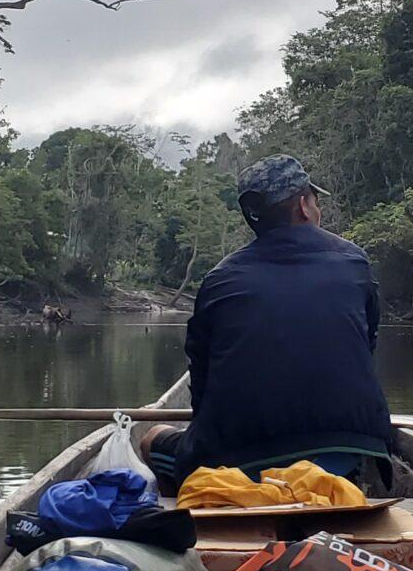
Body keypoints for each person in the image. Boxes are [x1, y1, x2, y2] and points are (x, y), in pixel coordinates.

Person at [140, 154, 393, 493]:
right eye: (315, 200)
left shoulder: (220, 279)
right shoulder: (353, 262)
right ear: (304, 206)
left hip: (241, 466)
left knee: (150, 438)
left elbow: (202, 382)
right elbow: (365, 348)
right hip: (343, 455)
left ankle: (195, 515)